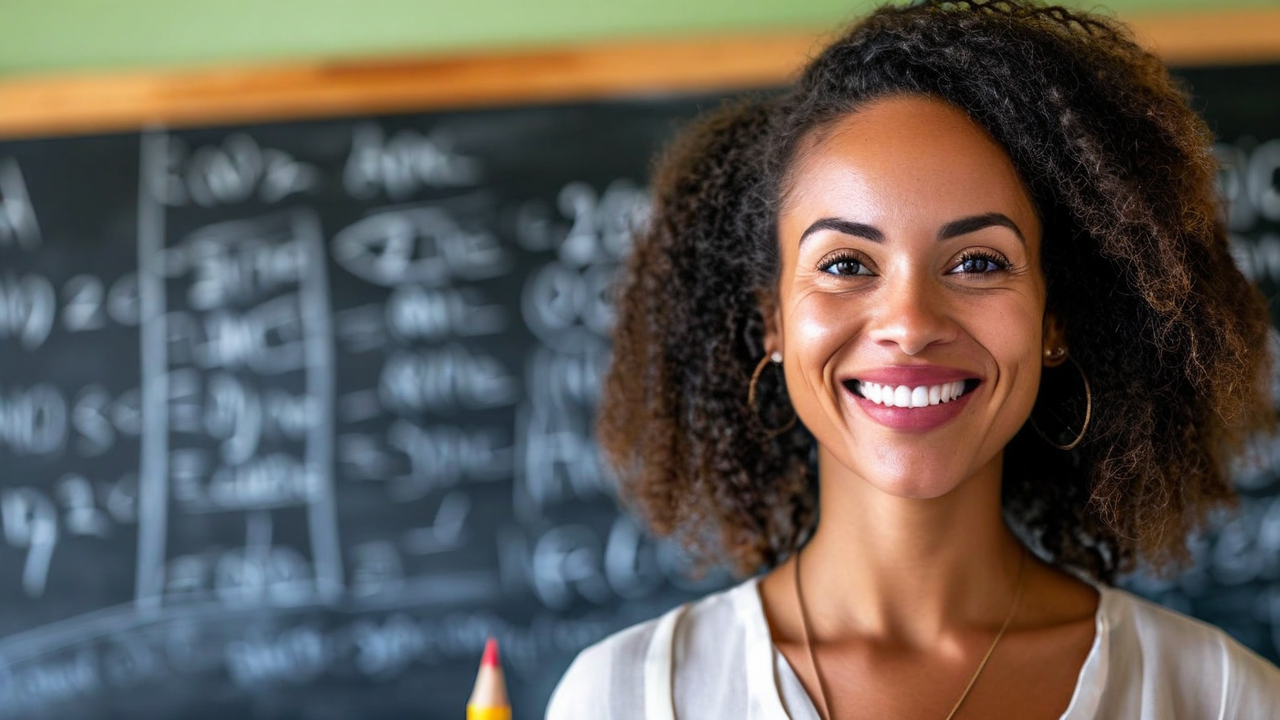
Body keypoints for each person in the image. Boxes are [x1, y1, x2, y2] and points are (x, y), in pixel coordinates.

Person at [546, 0, 1280, 718]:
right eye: (845, 264)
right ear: (772, 320)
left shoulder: (1219, 698)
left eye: (978, 262)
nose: (909, 323)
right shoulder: (628, 697)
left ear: (1056, 320)